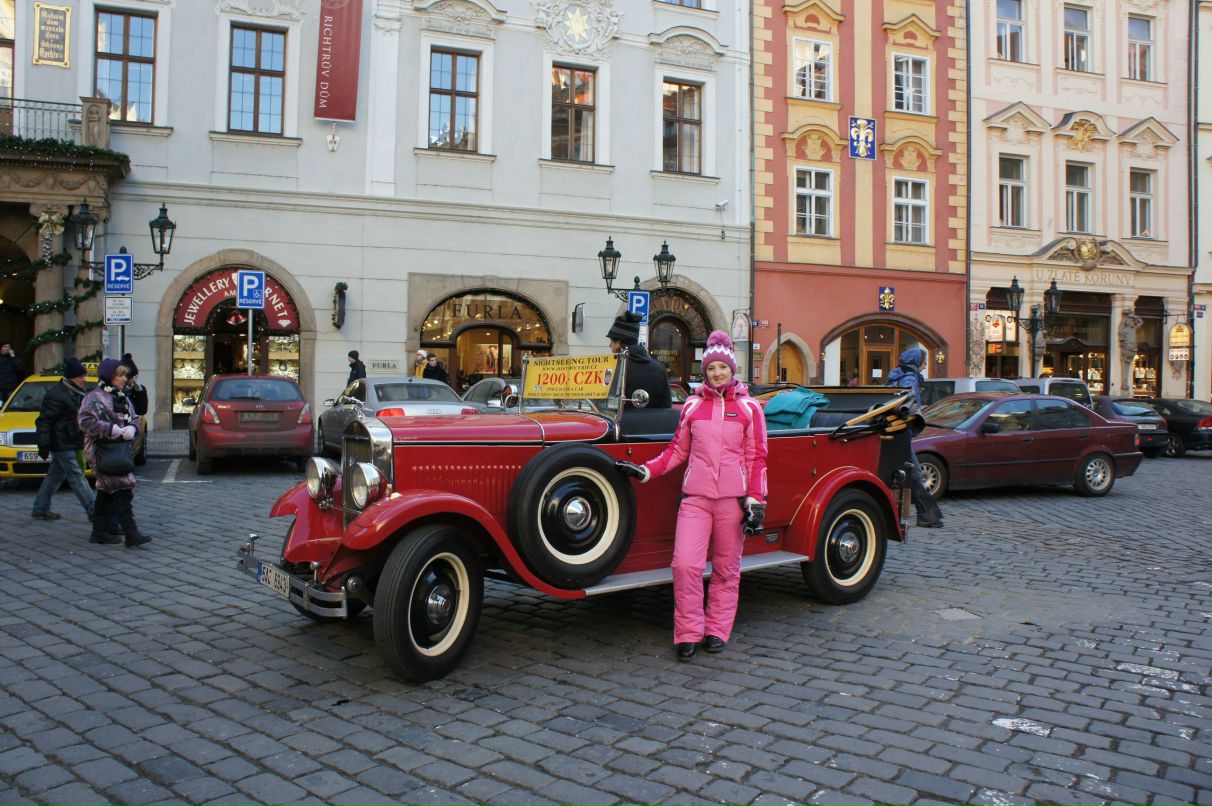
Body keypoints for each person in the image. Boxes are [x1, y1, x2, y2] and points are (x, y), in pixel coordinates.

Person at [617, 331, 768, 662]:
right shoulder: (692, 406)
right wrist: (647, 471)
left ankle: (717, 629)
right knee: (685, 565)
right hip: (695, 499)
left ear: (732, 368)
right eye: (711, 368)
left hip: (732, 501)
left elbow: (756, 458)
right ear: (705, 371)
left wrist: (756, 500)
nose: (717, 373)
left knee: (726, 569)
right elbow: (677, 450)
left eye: (722, 367)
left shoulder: (749, 409)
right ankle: (688, 632)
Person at [77, 359, 151, 547]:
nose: (124, 379)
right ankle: (131, 534)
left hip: (120, 450)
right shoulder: (94, 398)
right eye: (120, 375)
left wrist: (133, 428)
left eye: (124, 375)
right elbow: (85, 422)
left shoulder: (121, 396)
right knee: (123, 487)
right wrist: (112, 429)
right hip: (103, 450)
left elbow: (135, 417)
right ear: (109, 377)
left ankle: (99, 532)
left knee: (106, 492)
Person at [887, 347, 944, 529]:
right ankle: (927, 515)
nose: (925, 366)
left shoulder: (897, 376)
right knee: (915, 474)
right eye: (924, 363)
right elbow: (910, 406)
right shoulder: (909, 379)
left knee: (907, 473)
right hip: (901, 432)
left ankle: (924, 515)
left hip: (894, 431)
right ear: (916, 362)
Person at [31, 358, 94, 522]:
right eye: (80, 376)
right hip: (62, 442)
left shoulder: (78, 392)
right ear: (71, 377)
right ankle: (94, 511)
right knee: (77, 477)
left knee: (54, 476)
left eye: (84, 375)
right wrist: (43, 444)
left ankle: (40, 508)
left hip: (71, 440)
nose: (84, 379)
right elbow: (44, 421)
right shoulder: (57, 394)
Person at [607, 312, 672, 409]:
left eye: (611, 341)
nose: (610, 345)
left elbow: (606, 404)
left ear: (619, 342)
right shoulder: (659, 369)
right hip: (651, 419)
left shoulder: (614, 368)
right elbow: (666, 406)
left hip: (622, 418)